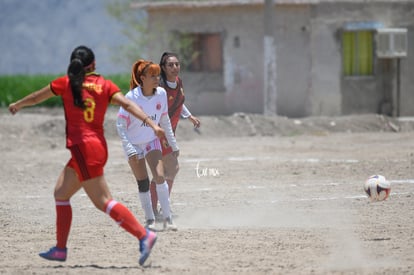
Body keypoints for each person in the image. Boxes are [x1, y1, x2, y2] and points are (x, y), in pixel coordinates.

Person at [8, 46, 159, 266]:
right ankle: (60, 249)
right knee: (61, 193)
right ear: (94, 64)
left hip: (83, 150)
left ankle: (144, 236)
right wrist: (152, 123)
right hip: (96, 147)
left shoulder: (65, 83)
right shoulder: (105, 85)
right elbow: (127, 104)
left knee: (103, 201)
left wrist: (17, 104)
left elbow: (34, 97)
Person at [116, 59, 179, 231]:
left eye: (158, 75)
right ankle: (150, 219)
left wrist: (173, 144)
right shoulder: (131, 97)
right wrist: (129, 149)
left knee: (159, 176)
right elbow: (120, 125)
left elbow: (164, 120)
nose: (157, 79)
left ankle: (168, 218)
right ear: (142, 78)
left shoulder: (161, 94)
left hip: (152, 141)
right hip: (134, 144)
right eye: (152, 76)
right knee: (143, 183)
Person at [149, 52, 201, 217]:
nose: (175, 68)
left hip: (170, 131)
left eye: (177, 64)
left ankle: (155, 208)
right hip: (160, 133)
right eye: (170, 65)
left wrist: (189, 116)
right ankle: (161, 209)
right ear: (163, 68)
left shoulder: (178, 82)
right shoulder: (160, 89)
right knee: (172, 168)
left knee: (162, 172)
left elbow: (179, 101)